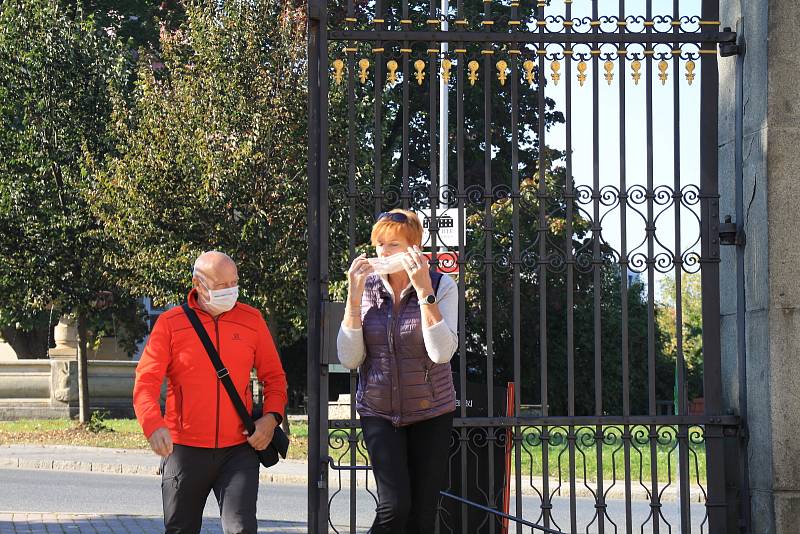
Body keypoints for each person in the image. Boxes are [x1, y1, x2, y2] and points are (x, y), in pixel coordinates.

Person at [133, 251, 288, 534]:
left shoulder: (251, 320)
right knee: (181, 529)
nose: (231, 290)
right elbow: (146, 382)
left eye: (235, 282)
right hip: (184, 451)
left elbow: (275, 378)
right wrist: (153, 424)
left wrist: (271, 418)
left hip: (238, 449)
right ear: (198, 284)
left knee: (241, 529)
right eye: (221, 285)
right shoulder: (170, 324)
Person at [337, 209, 458, 533]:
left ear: (414, 248)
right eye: (380, 245)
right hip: (379, 410)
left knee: (421, 516)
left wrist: (423, 292)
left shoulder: (442, 285)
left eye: (393, 245)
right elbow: (349, 358)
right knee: (394, 506)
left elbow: (442, 352)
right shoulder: (366, 289)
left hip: (431, 411)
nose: (384, 253)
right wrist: (353, 297)